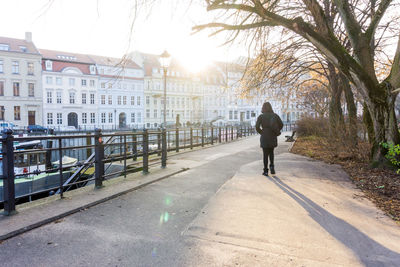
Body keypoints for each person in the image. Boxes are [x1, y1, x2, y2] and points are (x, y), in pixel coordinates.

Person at [256, 102, 283, 176]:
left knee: (265, 154)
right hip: (272, 135)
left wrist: (262, 132)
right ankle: (272, 166)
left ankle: (265, 171)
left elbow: (257, 127)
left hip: (264, 136)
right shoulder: (275, 116)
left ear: (263, 108)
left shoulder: (261, 116)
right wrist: (276, 131)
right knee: (271, 152)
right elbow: (281, 124)